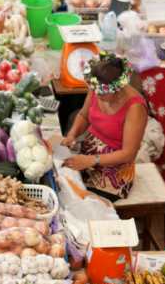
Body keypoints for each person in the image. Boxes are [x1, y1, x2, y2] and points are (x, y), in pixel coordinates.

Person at [61, 53, 148, 201]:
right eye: (95, 90)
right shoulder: (98, 87)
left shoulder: (135, 108)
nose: (97, 95)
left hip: (115, 168)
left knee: (84, 200)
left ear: (118, 88)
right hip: (88, 153)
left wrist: (91, 161)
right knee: (61, 180)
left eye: (102, 93)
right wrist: (72, 135)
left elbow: (128, 153)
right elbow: (83, 115)